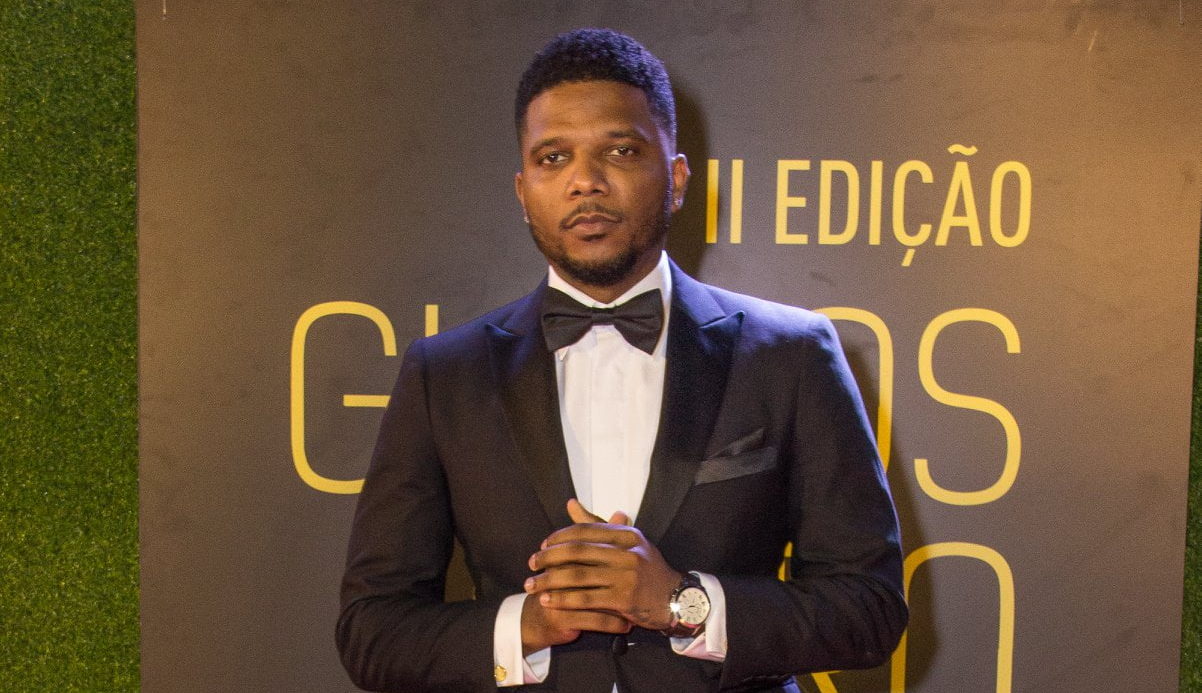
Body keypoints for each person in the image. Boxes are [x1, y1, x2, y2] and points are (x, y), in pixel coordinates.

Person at [337, 28, 907, 693]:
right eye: (553, 157)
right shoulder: (445, 375)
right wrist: (527, 624)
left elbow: (869, 609)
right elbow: (372, 631)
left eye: (621, 150)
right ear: (523, 190)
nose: (585, 180)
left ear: (677, 178)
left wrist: (682, 601)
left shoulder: (791, 354)